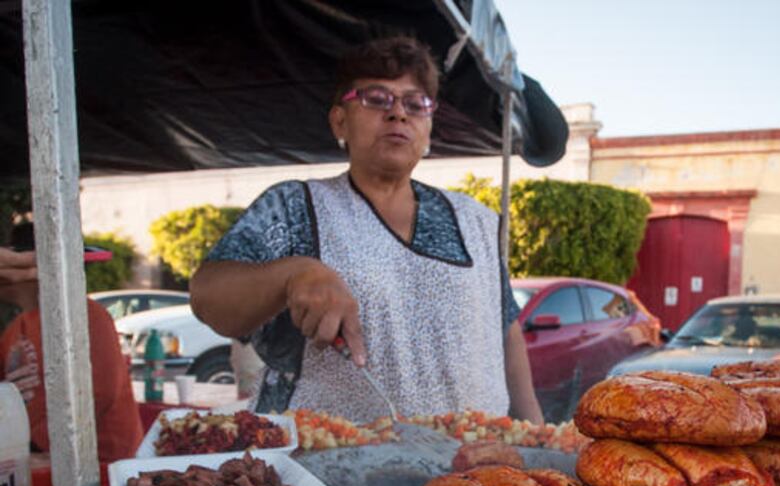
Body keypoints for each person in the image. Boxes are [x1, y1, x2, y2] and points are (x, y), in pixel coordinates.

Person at [191, 37, 543, 424]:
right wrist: (294, 274)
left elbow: (505, 332)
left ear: (429, 126)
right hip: (327, 468)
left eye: (415, 103)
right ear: (339, 120)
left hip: (475, 468)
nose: (398, 114)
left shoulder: (477, 221)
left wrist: (534, 437)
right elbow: (208, 297)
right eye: (377, 98)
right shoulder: (296, 207)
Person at [0, 223, 142, 463]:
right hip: (41, 456)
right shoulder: (15, 329)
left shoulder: (84, 315)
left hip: (99, 462)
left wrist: (36, 445)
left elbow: (98, 392)